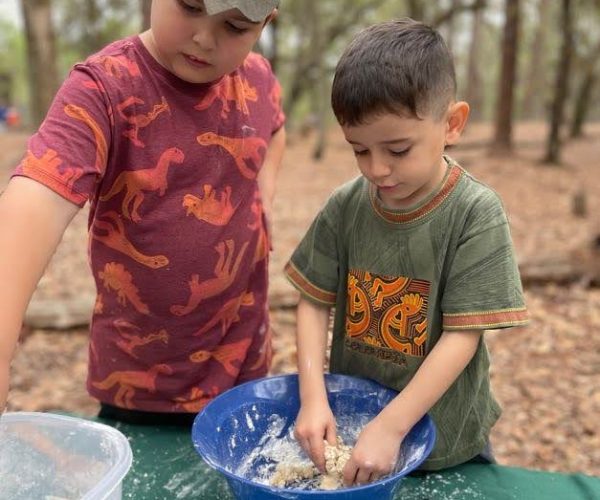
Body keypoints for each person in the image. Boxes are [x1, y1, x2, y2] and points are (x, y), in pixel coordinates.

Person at [0, 0, 285, 425]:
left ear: (264, 24)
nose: (204, 38)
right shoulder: (104, 87)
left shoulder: (258, 78)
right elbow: (35, 199)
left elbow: (274, 127)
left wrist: (261, 201)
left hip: (244, 359)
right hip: (140, 383)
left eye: (235, 27)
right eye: (190, 6)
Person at [284, 19, 528, 486]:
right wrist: (313, 397)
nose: (376, 169)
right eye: (359, 150)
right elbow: (314, 301)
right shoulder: (345, 206)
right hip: (353, 425)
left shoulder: (474, 212)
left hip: (445, 435)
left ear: (452, 124)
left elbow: (462, 337)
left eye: (398, 149)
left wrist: (394, 426)